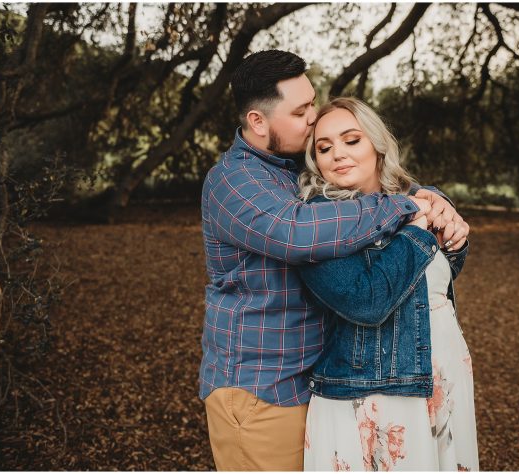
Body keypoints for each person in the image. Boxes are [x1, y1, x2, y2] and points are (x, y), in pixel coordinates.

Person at [199, 50, 469, 471]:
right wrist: (408, 209)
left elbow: (374, 194)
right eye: (302, 110)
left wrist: (435, 201)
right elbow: (298, 230)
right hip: (261, 391)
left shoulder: (289, 171)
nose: (313, 118)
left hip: (314, 380)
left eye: (313, 103)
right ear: (258, 122)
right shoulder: (233, 182)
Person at [297, 97, 477, 471]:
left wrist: (453, 235)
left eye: (351, 140)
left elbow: (429, 288)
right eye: (324, 147)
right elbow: (366, 302)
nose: (337, 154)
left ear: (377, 144)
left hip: (441, 375)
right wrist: (419, 230)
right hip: (370, 395)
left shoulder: (414, 202)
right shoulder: (319, 221)